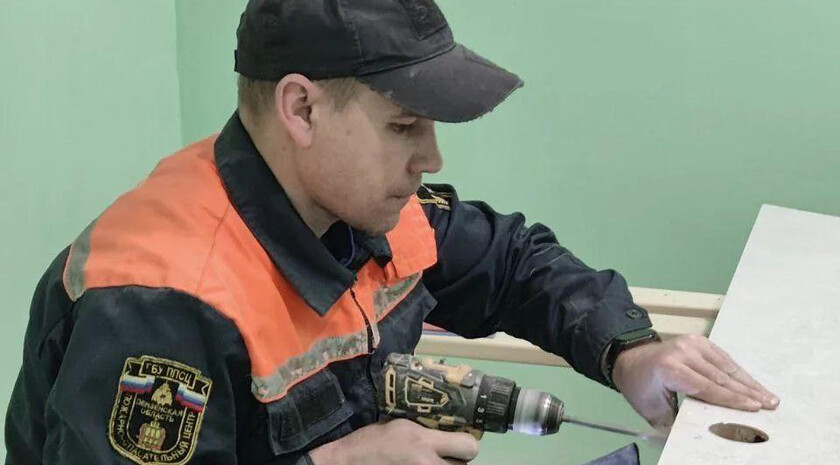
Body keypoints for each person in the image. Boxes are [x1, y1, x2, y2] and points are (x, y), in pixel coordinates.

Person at [4, 1, 779, 464]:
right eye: (404, 125)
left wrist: (629, 351)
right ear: (302, 109)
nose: (431, 157)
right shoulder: (161, 302)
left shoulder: (363, 207)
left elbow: (513, 263)